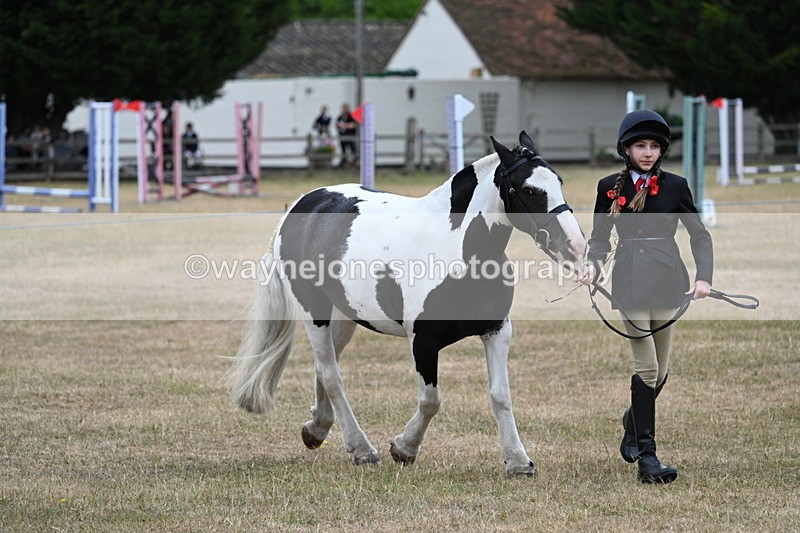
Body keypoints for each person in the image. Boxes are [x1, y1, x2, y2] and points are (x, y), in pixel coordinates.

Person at [578, 109, 713, 484]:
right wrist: (592, 265)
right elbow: (600, 237)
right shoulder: (609, 186)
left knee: (662, 372)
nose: (648, 152)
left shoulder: (675, 185)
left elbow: (699, 235)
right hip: (630, 283)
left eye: (654, 146)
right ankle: (649, 460)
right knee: (648, 369)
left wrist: (704, 278)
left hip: (669, 280)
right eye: (641, 145)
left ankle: (632, 423)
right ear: (626, 149)